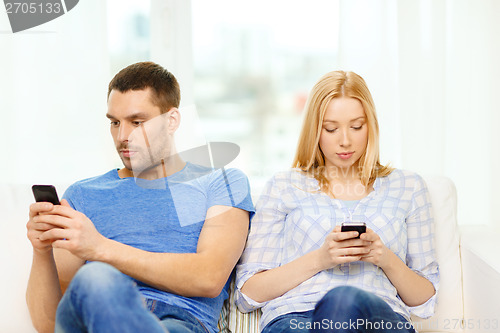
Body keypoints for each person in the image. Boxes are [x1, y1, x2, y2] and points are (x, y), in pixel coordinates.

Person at [26, 61, 254, 333]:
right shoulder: (82, 195)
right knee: (96, 278)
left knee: (98, 273)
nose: (122, 136)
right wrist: (41, 252)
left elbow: (209, 277)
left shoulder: (221, 183)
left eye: (137, 122)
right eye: (114, 122)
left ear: (171, 121)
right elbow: (48, 323)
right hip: (96, 319)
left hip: (179, 324)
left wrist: (101, 248)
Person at [235, 71, 439, 332]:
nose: (345, 140)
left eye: (356, 126)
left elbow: (425, 302)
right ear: (314, 130)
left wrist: (384, 258)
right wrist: (321, 259)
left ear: (371, 126)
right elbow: (247, 295)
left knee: (343, 300)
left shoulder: (408, 187)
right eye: (331, 128)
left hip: (376, 319)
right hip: (296, 319)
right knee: (336, 304)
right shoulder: (284, 186)